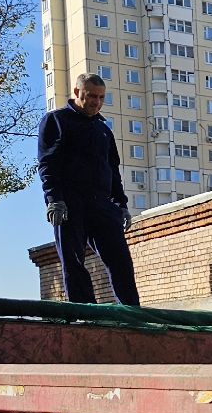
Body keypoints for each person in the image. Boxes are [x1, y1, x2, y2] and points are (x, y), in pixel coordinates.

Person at [37, 73, 139, 305]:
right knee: (73, 262)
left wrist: (121, 204)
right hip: (69, 203)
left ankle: (133, 316)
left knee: (121, 261)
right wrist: (54, 199)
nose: (96, 102)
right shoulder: (57, 120)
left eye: (101, 97)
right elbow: (47, 164)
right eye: (91, 96)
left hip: (102, 204)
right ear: (77, 93)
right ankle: (84, 315)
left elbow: (112, 169)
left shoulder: (103, 130)